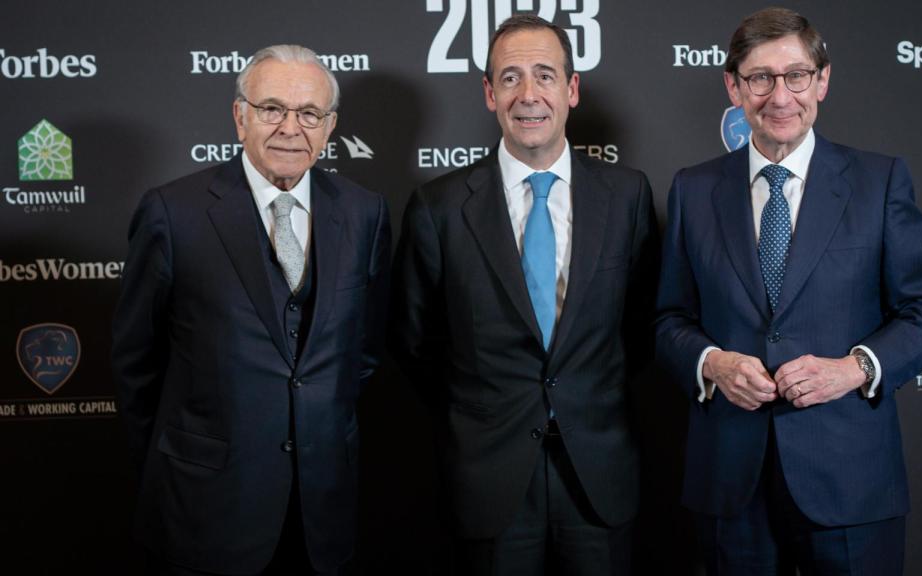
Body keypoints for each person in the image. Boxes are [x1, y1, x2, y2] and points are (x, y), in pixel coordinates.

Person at [655, 8, 922, 575]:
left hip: (851, 484)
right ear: (734, 86)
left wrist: (853, 369)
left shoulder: (879, 181)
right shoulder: (693, 191)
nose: (780, 96)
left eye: (795, 75)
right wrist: (712, 363)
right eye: (760, 77)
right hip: (729, 485)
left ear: (822, 80)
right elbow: (669, 320)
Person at [389, 14, 659, 576]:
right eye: (510, 78)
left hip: (599, 477)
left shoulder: (628, 196)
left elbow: (641, 327)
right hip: (488, 481)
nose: (528, 94)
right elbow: (415, 343)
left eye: (544, 75)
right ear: (489, 94)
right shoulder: (438, 209)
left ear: (572, 89)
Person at [112, 44, 390, 575]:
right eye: (271, 109)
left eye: (309, 113)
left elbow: (365, 350)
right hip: (206, 506)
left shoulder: (364, 212)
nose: (291, 127)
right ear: (240, 117)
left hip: (321, 510)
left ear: (329, 126)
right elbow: (135, 364)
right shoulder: (173, 212)